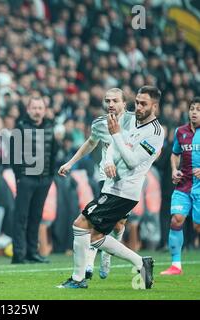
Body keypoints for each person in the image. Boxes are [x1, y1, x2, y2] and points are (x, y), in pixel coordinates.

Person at [57, 86, 164, 289]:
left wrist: (115, 134)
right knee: (96, 236)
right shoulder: (133, 122)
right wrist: (108, 160)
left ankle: (78, 279)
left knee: (80, 225)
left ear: (154, 106)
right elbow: (112, 145)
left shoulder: (155, 132)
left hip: (125, 191)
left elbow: (132, 161)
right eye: (138, 102)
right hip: (112, 186)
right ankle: (140, 263)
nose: (139, 107)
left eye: (144, 104)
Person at [58, 88, 134, 279]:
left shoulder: (135, 123)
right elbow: (91, 143)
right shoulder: (100, 123)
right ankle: (89, 265)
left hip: (127, 180)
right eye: (108, 101)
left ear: (124, 104)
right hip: (106, 179)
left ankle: (106, 257)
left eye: (115, 101)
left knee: (118, 225)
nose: (110, 104)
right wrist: (70, 163)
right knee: (96, 222)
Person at [11, 96, 57, 264]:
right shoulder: (20, 127)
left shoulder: (50, 127)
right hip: (26, 179)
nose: (37, 111)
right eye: (34, 108)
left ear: (44, 111)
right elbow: (14, 155)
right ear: (28, 110)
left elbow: (53, 153)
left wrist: (50, 176)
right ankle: (19, 254)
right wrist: (19, 177)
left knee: (36, 217)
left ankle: (32, 252)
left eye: (40, 108)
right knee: (21, 217)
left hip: (44, 179)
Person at [160, 97, 200, 275]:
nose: (194, 112)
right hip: (183, 185)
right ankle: (176, 265)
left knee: (198, 227)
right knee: (176, 219)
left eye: (198, 109)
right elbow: (175, 154)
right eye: (192, 108)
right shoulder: (180, 131)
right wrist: (174, 170)